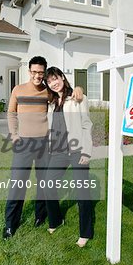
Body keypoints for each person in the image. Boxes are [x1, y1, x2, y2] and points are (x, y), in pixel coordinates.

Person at [3, 57, 83, 240]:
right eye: (34, 72)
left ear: (44, 73)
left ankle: (41, 216)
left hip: (45, 144)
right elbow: (11, 113)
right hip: (23, 143)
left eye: (41, 73)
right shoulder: (18, 89)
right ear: (29, 71)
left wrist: (79, 89)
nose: (37, 76)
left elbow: (67, 93)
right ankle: (10, 224)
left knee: (43, 182)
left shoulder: (48, 92)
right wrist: (14, 135)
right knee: (17, 184)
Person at [44, 66, 94, 248]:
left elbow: (87, 125)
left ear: (62, 77)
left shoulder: (77, 98)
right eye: (49, 81)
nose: (53, 83)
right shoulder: (51, 103)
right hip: (58, 152)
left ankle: (86, 232)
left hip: (77, 150)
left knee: (82, 194)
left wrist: (87, 151)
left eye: (55, 78)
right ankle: (56, 220)